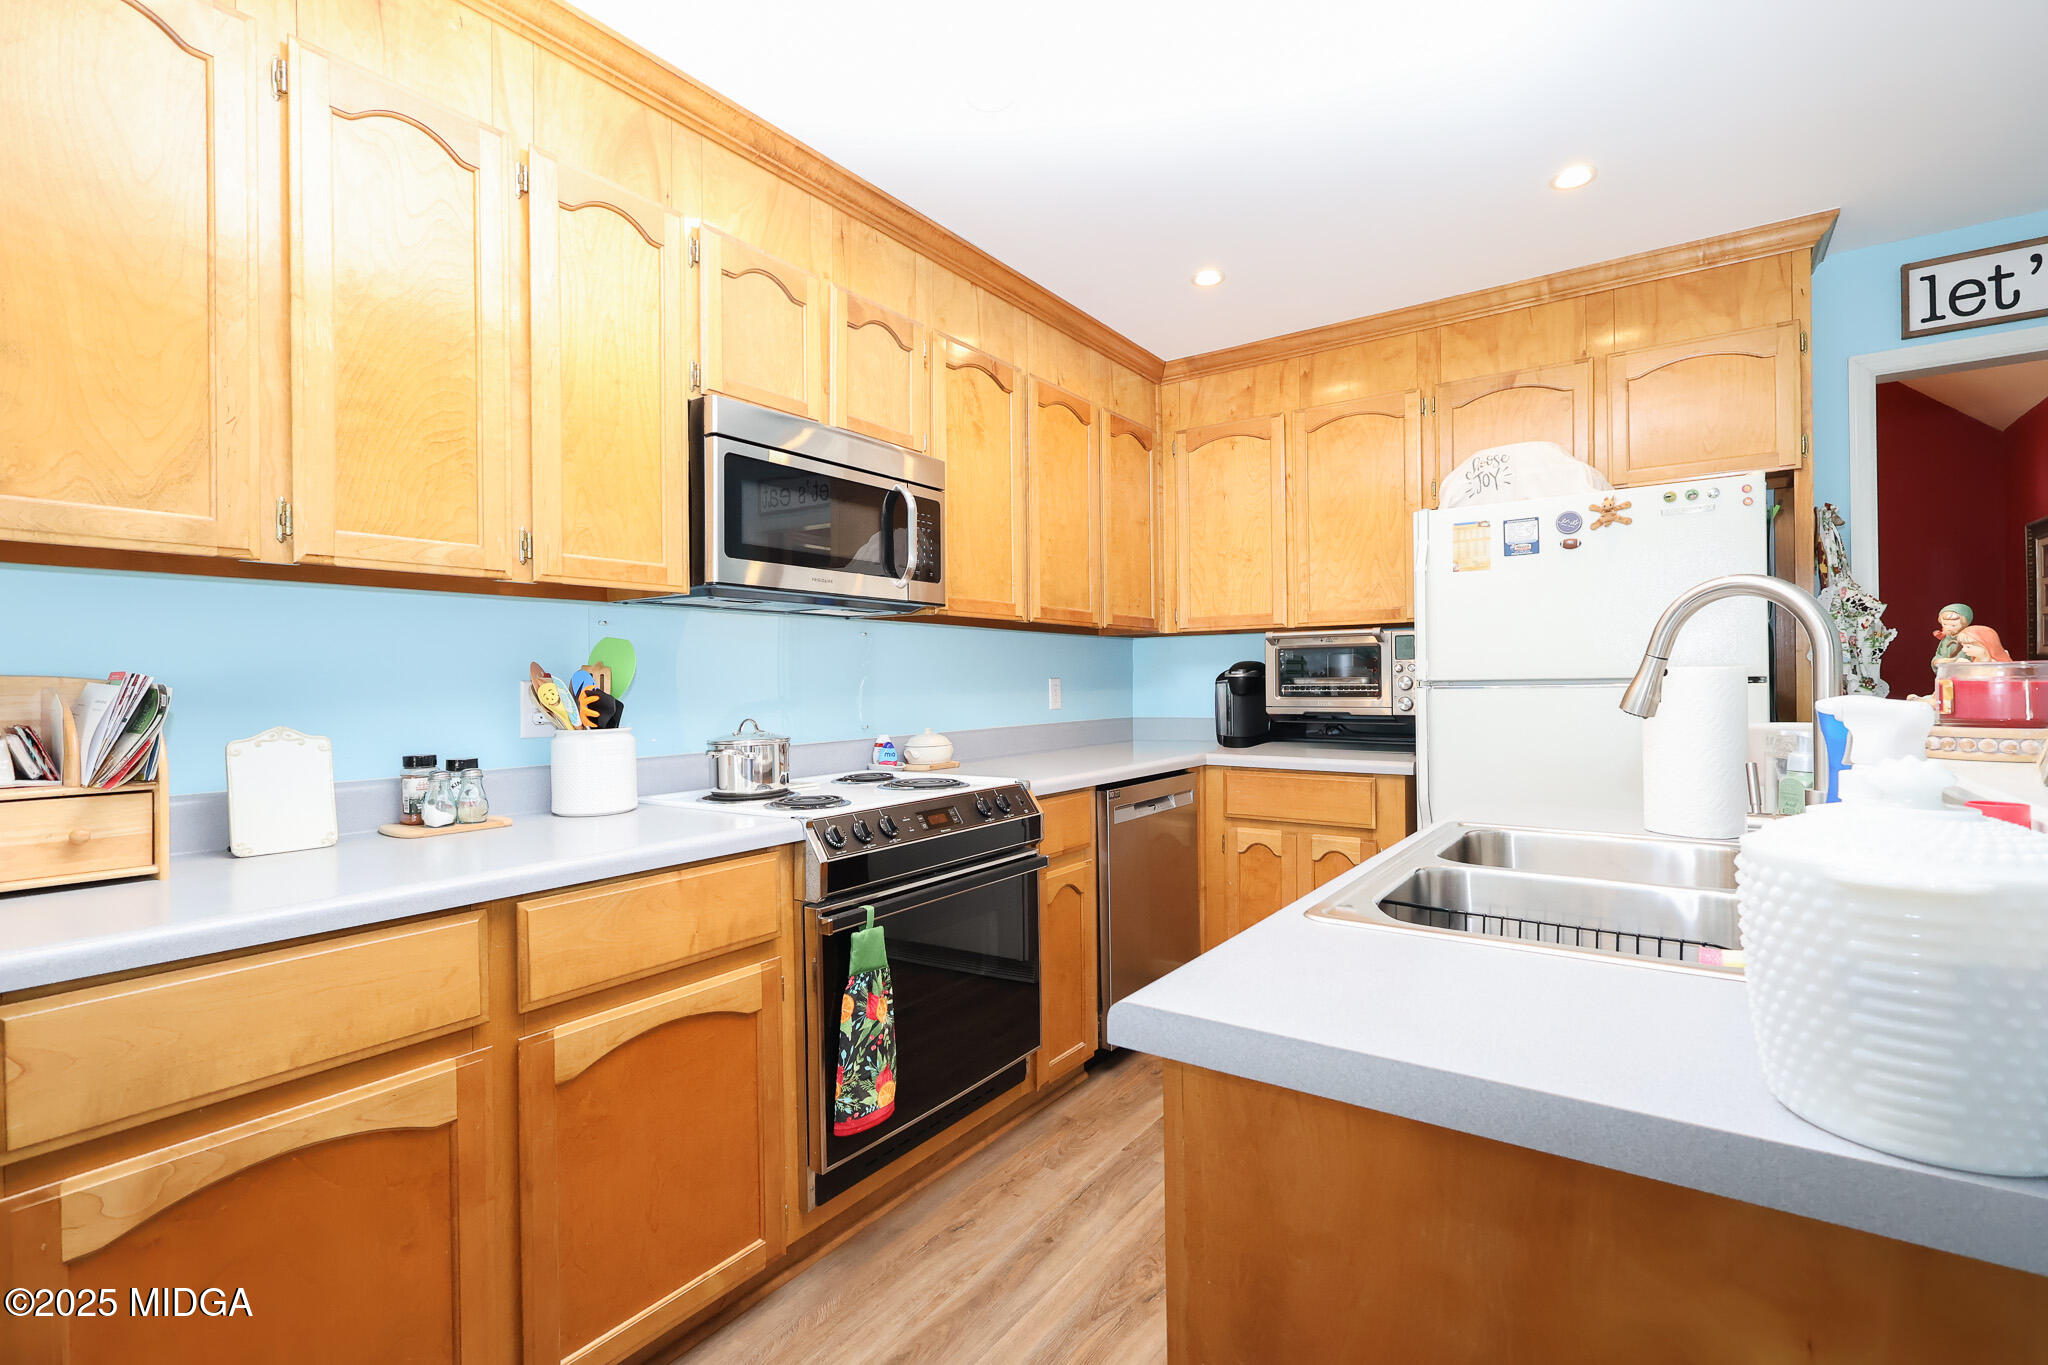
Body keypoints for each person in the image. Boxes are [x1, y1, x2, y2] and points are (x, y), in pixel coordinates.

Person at [1930, 603, 2012, 676]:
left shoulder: (1969, 638)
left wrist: (1959, 663)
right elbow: (1938, 655)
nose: (1948, 628)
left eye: (1953, 625)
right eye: (1945, 624)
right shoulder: (1946, 640)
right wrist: (1938, 661)